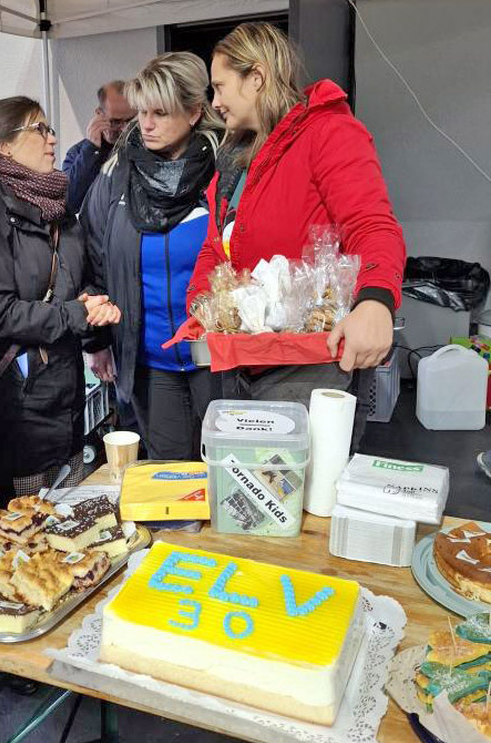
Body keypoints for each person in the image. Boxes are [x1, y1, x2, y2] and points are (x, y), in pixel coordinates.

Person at [187, 22, 406, 440]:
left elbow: (372, 225)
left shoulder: (329, 133)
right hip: (242, 362)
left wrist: (376, 300)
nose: (215, 103)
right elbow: (216, 249)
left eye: (219, 87)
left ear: (256, 77)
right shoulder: (236, 160)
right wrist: (202, 301)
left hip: (310, 368)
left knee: (299, 496)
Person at [0, 97, 120, 501]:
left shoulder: (58, 212)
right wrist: (77, 314)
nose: (52, 139)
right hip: (19, 405)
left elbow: (82, 282)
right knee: (29, 533)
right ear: (4, 147)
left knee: (73, 519)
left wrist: (96, 314)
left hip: (66, 396)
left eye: (49, 129)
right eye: (40, 130)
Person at [82, 53, 227, 460]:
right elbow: (93, 259)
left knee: (226, 473)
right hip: (151, 360)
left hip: (217, 358)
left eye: (160, 113)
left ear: (195, 111)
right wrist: (96, 341)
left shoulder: (227, 172)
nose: (146, 124)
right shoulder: (115, 177)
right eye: (143, 111)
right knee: (170, 481)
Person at [62, 81, 136, 215]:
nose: (124, 129)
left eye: (130, 121)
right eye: (116, 122)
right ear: (98, 114)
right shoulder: (79, 153)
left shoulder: (144, 148)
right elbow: (69, 203)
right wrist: (91, 149)